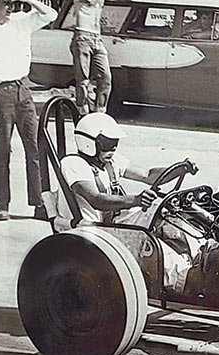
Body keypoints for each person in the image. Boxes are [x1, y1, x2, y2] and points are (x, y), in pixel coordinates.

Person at [55, 112, 194, 291]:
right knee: (148, 241)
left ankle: (200, 254)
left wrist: (180, 168)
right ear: (89, 143)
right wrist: (135, 200)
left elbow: (147, 175)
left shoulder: (110, 161)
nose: (112, 149)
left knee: (165, 209)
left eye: (115, 144)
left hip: (114, 223)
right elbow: (96, 199)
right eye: (107, 144)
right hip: (94, 231)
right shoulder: (73, 164)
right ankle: (186, 277)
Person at [0, 0, 58, 220]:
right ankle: (3, 203)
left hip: (23, 89)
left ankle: (39, 203)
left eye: (12, 3)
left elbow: (51, 14)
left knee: (35, 147)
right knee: (2, 150)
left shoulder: (20, 21)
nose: (11, 8)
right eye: (6, 3)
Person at [70, 0, 112, 115]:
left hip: (96, 38)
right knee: (83, 79)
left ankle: (100, 110)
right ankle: (82, 110)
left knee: (106, 77)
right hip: (82, 36)